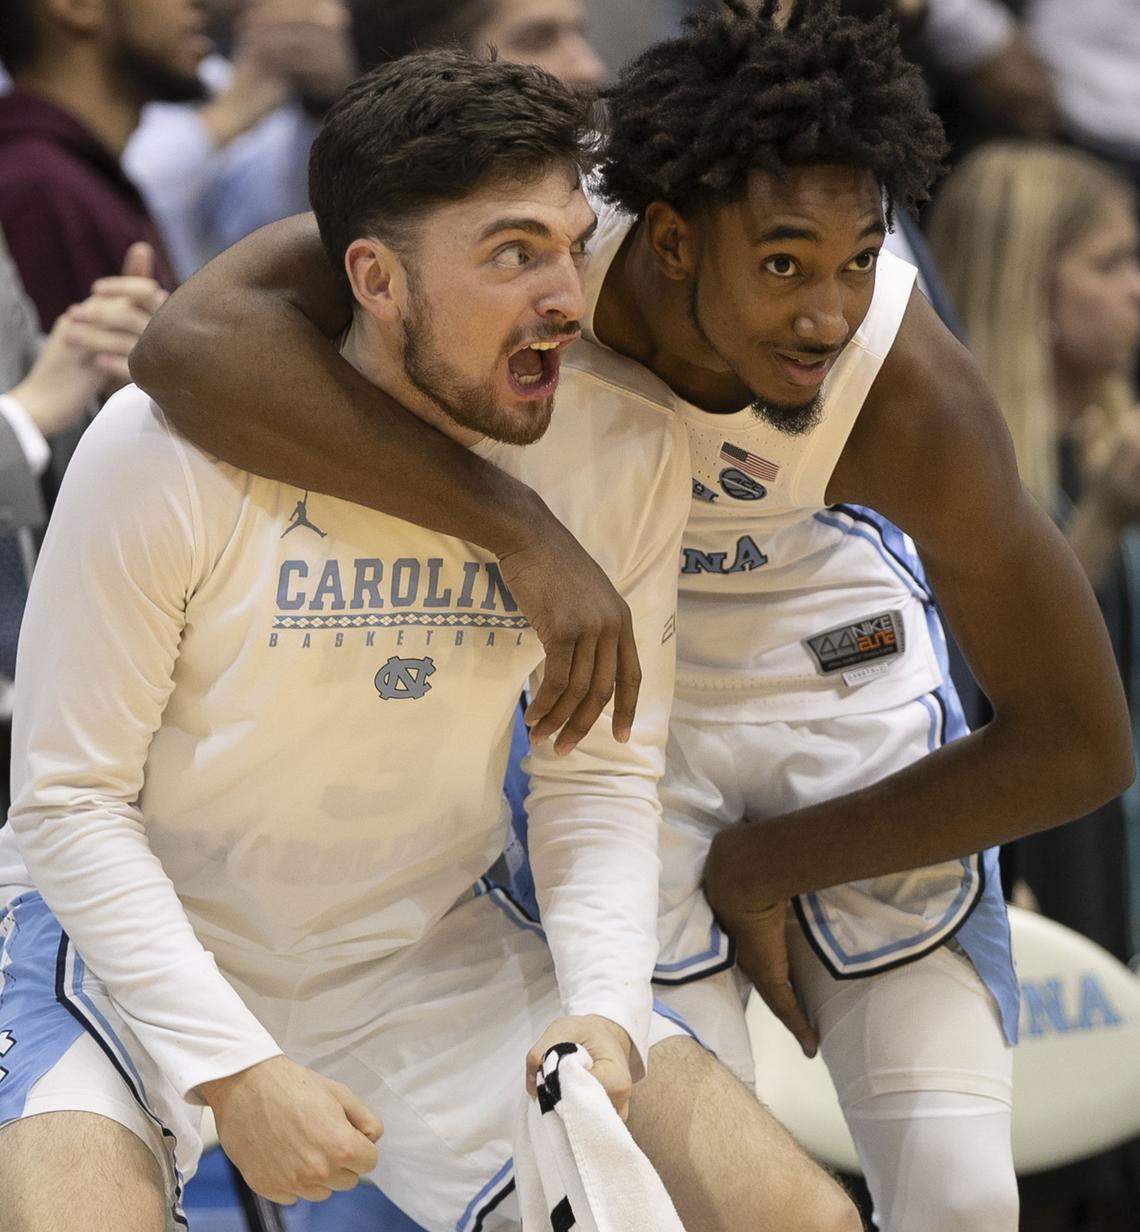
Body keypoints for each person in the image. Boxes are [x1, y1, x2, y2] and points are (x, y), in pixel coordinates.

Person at [132, 3, 1135, 1229]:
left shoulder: (907, 392)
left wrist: (770, 863)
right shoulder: (558, 225)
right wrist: (521, 530)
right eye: (781, 266)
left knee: (966, 1198)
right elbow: (191, 341)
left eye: (859, 261)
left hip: (827, 663)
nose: (828, 316)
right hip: (614, 693)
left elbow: (1082, 743)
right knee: (652, 1188)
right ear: (665, 241)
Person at [0, 51, 862, 1232]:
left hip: (420, 945)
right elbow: (68, 804)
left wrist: (604, 1010)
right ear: (376, 278)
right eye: (513, 254)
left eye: (568, 243)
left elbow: (599, 775)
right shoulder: (157, 450)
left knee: (794, 1217)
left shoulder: (621, 453)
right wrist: (235, 1067)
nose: (566, 294)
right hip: (122, 937)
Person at [928, 141, 1140, 1230]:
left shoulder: (1113, 433)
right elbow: (1024, 679)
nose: (1137, 287)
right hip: (1058, 862)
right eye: (1112, 262)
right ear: (1028, 279)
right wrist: (1102, 523)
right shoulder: (982, 476)